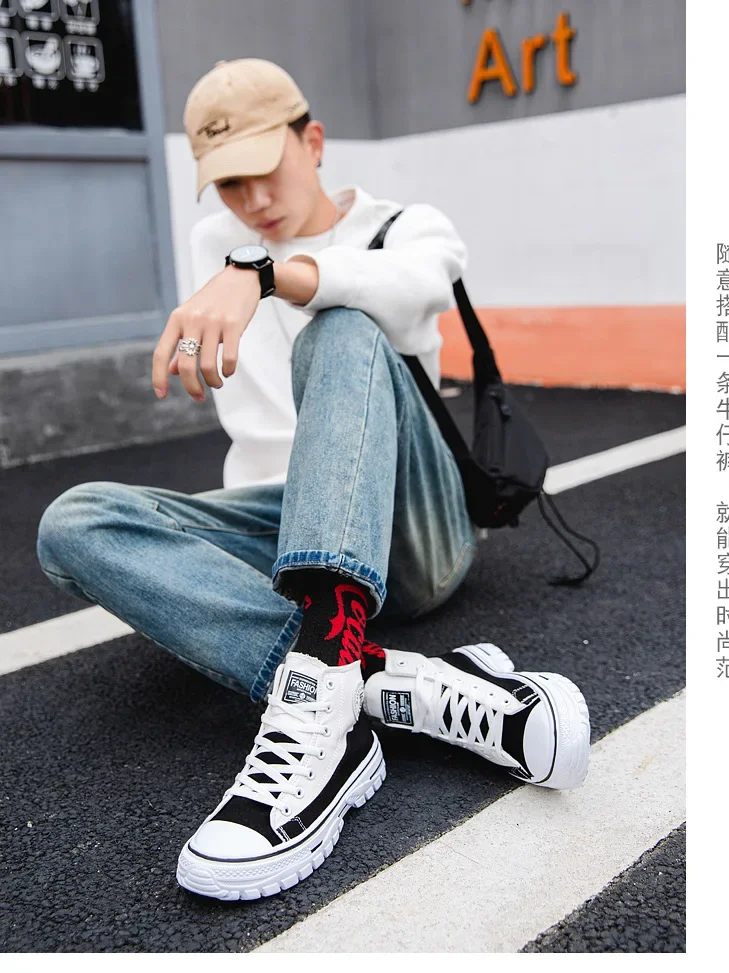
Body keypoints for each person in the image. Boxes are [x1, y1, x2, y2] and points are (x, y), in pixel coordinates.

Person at [35, 58, 590, 902]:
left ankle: (324, 681)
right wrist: (241, 265)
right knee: (75, 522)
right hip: (288, 524)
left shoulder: (405, 225)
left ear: (315, 141)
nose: (253, 200)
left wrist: (264, 276)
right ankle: (373, 683)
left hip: (411, 525)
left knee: (342, 328)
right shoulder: (216, 245)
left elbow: (415, 287)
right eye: (229, 183)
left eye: (267, 167)